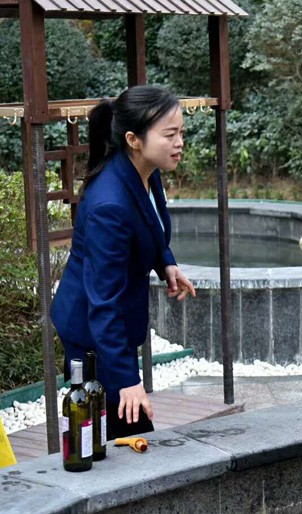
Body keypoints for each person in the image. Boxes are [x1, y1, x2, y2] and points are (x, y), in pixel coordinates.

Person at [51, 85, 196, 438]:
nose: (179, 143)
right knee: (110, 440)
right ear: (134, 139)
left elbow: (149, 225)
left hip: (108, 329)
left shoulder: (146, 172)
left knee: (121, 441)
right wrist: (128, 380)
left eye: (181, 133)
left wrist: (166, 263)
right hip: (91, 337)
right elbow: (103, 303)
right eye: (170, 134)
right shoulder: (109, 206)